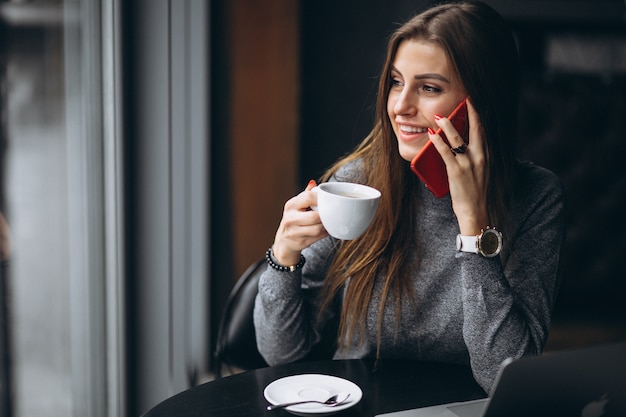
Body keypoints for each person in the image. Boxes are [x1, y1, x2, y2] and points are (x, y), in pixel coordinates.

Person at [253, 0, 565, 392]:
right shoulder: (357, 184)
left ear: (481, 102)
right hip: (359, 404)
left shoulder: (537, 197)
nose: (400, 106)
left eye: (429, 88)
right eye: (397, 82)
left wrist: (474, 225)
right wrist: (283, 257)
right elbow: (280, 355)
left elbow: (502, 376)